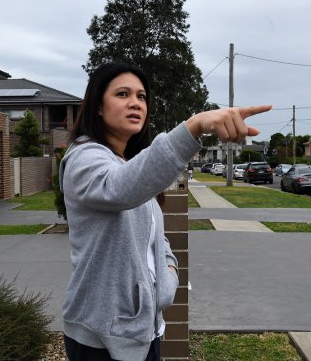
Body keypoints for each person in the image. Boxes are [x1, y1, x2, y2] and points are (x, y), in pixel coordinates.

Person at [58, 62, 271, 361]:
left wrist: (168, 276)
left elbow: (155, 236)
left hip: (146, 329)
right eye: (122, 94)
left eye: (142, 96)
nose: (135, 102)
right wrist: (194, 126)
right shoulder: (83, 158)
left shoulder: (126, 162)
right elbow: (118, 188)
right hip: (101, 338)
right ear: (98, 107)